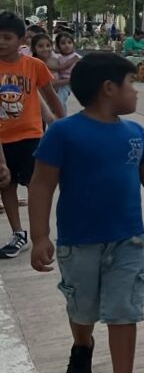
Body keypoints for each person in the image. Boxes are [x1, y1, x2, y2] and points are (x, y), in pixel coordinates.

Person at [28, 52, 144, 373]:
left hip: (127, 241)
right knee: (82, 309)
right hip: (78, 242)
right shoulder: (64, 133)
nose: (137, 92)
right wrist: (39, 236)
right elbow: (42, 184)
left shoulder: (135, 134)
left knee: (123, 311)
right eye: (132, 83)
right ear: (109, 89)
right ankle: (82, 345)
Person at [0, 13, 65, 259]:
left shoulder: (34, 66)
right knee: (6, 185)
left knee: (36, 185)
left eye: (7, 37)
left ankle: (41, 231)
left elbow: (51, 97)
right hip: (2, 140)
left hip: (30, 135)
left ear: (21, 39)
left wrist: (64, 124)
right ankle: (19, 233)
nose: (1, 42)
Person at [30, 33, 60, 127]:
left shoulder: (56, 61)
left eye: (48, 45)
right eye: (40, 46)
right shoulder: (32, 64)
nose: (45, 49)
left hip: (50, 103)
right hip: (36, 105)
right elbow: (51, 84)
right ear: (34, 48)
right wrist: (68, 80)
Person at [53, 33, 82, 110]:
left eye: (69, 42)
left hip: (70, 82)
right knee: (61, 100)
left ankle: (58, 111)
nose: (67, 45)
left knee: (60, 99)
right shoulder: (59, 57)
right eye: (63, 43)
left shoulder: (76, 57)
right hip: (61, 81)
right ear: (58, 46)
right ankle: (62, 114)